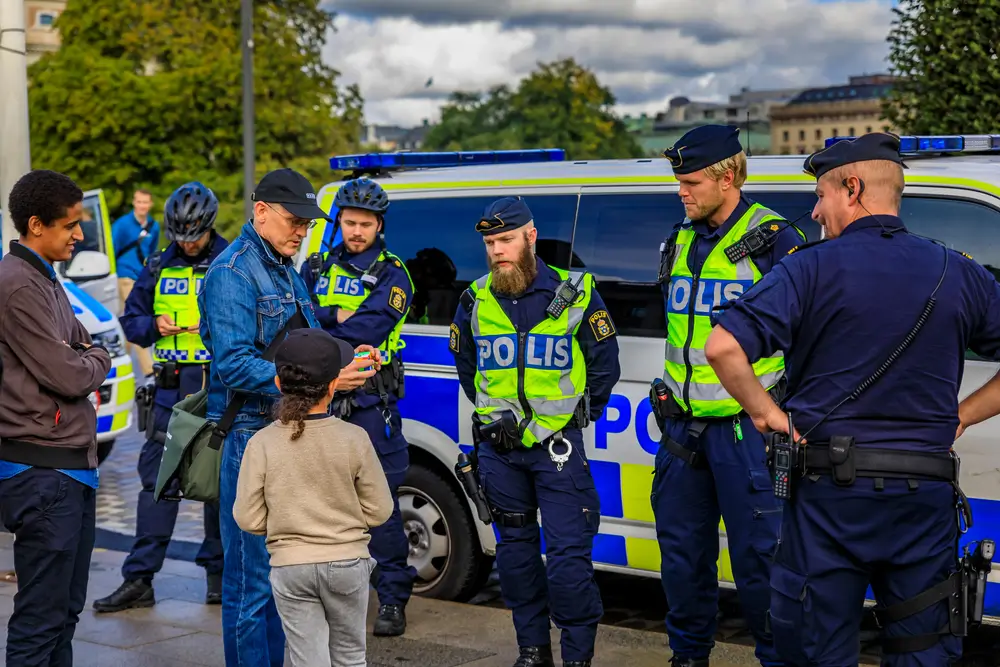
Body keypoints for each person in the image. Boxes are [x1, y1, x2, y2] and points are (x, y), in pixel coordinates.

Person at [704, 132, 1000, 666]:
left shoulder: (807, 268)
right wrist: (961, 416)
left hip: (828, 498)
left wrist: (765, 413)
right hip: (923, 497)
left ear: (853, 188)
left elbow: (722, 346)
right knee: (922, 650)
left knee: (819, 647)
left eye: (820, 194)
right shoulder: (959, 271)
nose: (815, 211)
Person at [198, 168, 379, 667]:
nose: (303, 230)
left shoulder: (283, 264)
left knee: (281, 577)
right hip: (249, 436)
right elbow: (233, 364)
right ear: (260, 213)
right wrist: (318, 383)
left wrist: (346, 355)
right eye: (294, 220)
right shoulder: (232, 272)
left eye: (308, 222)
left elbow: (308, 336)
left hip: (284, 428)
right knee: (250, 583)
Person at [651, 124, 805, 667]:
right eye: (678, 180)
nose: (681, 191)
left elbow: (805, 339)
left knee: (763, 564)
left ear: (730, 175)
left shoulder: (778, 240)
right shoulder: (679, 238)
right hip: (681, 433)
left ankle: (775, 659)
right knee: (681, 559)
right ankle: (687, 656)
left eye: (690, 181)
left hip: (748, 434)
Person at [450, 196, 622, 667]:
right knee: (516, 560)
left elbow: (605, 364)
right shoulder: (475, 299)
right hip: (499, 453)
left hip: (557, 451)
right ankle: (532, 651)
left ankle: (577, 657)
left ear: (530, 236)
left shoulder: (577, 291)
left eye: (505, 239)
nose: (496, 251)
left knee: (568, 562)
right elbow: (468, 368)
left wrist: (570, 417)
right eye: (489, 243)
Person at [93, 182, 227, 613]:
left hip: (216, 390)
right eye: (180, 236)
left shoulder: (230, 263)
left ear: (209, 226)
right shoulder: (156, 264)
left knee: (218, 486)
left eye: (195, 235)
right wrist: (154, 324)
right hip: (169, 390)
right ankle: (139, 579)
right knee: (156, 486)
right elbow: (130, 323)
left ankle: (219, 578)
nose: (188, 243)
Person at [0, 170, 113, 665]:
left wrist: (89, 355)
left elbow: (88, 346)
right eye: (70, 225)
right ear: (35, 225)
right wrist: (91, 358)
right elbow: (70, 374)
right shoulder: (18, 284)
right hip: (43, 472)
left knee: (64, 613)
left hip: (70, 467)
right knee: (41, 618)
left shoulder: (45, 276)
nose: (79, 235)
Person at [234, 329, 394, 667]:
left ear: (278, 384)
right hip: (348, 562)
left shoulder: (261, 443)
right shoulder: (355, 438)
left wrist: (286, 524)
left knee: (307, 659)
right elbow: (380, 510)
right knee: (351, 655)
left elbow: (247, 518)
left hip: (290, 565)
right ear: (335, 385)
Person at [300, 177, 417, 636]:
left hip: (370, 404)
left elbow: (368, 327)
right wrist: (332, 317)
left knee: (379, 507)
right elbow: (295, 317)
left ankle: (392, 599)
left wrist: (322, 325)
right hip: (319, 403)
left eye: (365, 223)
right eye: (349, 222)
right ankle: (329, 596)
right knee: (321, 505)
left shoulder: (394, 275)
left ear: (379, 225)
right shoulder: (317, 266)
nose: (356, 231)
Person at [112, 188, 158, 377]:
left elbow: (151, 252)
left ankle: (124, 366)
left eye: (145, 202)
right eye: (139, 202)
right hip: (125, 276)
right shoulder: (122, 225)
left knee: (127, 321)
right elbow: (112, 249)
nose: (142, 206)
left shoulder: (154, 226)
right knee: (138, 317)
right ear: (134, 202)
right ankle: (150, 370)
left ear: (150, 204)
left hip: (142, 277)